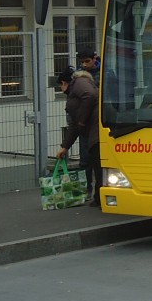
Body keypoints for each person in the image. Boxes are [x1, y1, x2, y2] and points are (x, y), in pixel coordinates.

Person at [55, 65, 100, 206]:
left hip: (96, 130)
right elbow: (74, 125)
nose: (61, 90)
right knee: (96, 164)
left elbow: (90, 97)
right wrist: (65, 147)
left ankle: (100, 198)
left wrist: (81, 120)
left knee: (98, 165)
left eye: (60, 86)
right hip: (93, 130)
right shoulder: (78, 87)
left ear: (64, 83)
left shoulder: (79, 82)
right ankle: (99, 197)